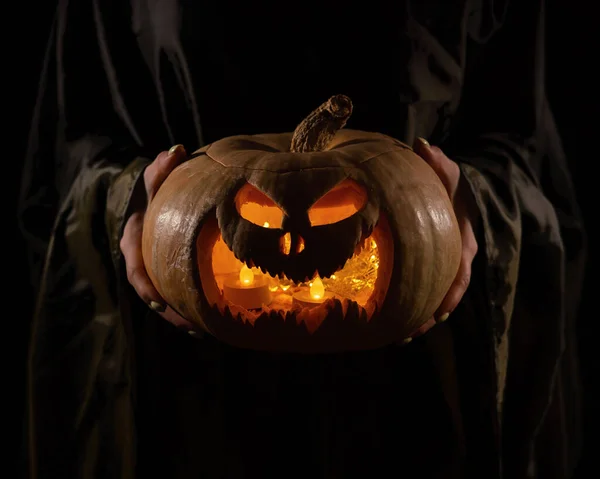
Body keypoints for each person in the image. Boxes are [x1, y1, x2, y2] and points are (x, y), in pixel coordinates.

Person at [19, 0, 587, 478]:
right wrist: (130, 204)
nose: (294, 245)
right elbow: (74, 140)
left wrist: (470, 207)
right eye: (267, 218)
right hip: (188, 388)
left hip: (415, 394)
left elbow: (523, 140)